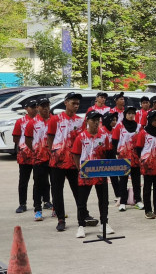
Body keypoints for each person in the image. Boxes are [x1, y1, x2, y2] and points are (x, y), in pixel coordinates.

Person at [48, 92, 88, 232]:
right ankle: (60, 218)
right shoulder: (55, 119)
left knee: (78, 190)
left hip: (74, 162)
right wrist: (54, 153)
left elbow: (83, 140)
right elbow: (50, 138)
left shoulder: (80, 121)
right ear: (66, 103)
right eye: (73, 103)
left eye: (78, 104)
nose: (76, 106)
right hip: (57, 162)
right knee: (57, 191)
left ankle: (83, 216)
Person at [71, 111, 113, 239]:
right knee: (82, 200)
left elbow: (107, 153)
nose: (96, 122)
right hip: (86, 173)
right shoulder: (81, 137)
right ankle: (81, 226)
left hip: (100, 172)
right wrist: (80, 169)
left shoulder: (104, 136)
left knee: (103, 199)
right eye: (93, 120)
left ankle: (104, 223)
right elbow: (75, 155)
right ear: (87, 121)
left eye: (97, 120)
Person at [24, 98, 53, 221]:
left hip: (54, 159)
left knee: (55, 184)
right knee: (38, 184)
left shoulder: (54, 120)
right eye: (42, 106)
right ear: (38, 108)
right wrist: (36, 150)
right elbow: (27, 140)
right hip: (39, 159)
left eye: (47, 105)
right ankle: (37, 210)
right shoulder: (32, 123)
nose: (45, 108)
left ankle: (56, 208)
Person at [135, 110, 156, 219]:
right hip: (147, 164)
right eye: (155, 120)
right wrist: (143, 160)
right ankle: (148, 210)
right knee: (147, 187)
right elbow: (139, 148)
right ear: (149, 120)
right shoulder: (143, 133)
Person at [113, 107, 142, 211]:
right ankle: (123, 202)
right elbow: (115, 141)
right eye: (129, 113)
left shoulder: (138, 127)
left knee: (136, 180)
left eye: (133, 113)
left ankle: (138, 200)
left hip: (135, 157)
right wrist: (116, 153)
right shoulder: (119, 126)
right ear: (125, 114)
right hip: (123, 157)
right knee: (123, 180)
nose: (131, 115)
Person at [13, 100, 37, 213]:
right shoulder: (20, 121)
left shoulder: (40, 120)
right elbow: (16, 138)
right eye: (32, 107)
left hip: (39, 155)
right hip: (25, 155)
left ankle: (45, 201)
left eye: (36, 107)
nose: (35, 109)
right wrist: (23, 147)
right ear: (26, 109)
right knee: (23, 180)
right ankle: (22, 203)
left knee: (41, 180)